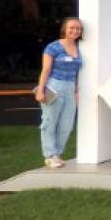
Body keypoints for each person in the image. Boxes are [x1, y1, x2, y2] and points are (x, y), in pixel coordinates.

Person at [35, 17, 84, 169]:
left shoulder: (79, 48)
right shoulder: (53, 47)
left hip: (70, 88)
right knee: (49, 123)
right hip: (54, 86)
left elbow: (77, 73)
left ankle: (57, 153)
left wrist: (76, 90)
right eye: (72, 28)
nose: (75, 31)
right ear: (65, 28)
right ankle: (50, 156)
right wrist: (41, 90)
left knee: (66, 125)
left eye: (78, 28)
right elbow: (46, 70)